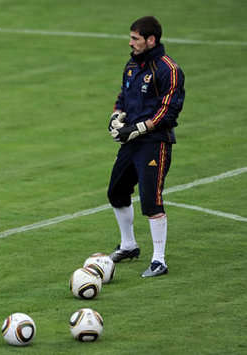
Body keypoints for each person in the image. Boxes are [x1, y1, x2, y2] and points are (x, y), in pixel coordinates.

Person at [107, 16, 185, 277]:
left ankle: (159, 260)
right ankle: (129, 245)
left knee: (151, 200)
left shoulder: (169, 70)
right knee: (117, 191)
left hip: (155, 143)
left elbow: (169, 111)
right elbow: (124, 94)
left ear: (151, 40)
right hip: (132, 142)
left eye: (135, 39)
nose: (130, 43)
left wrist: (139, 128)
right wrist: (117, 116)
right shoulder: (132, 65)